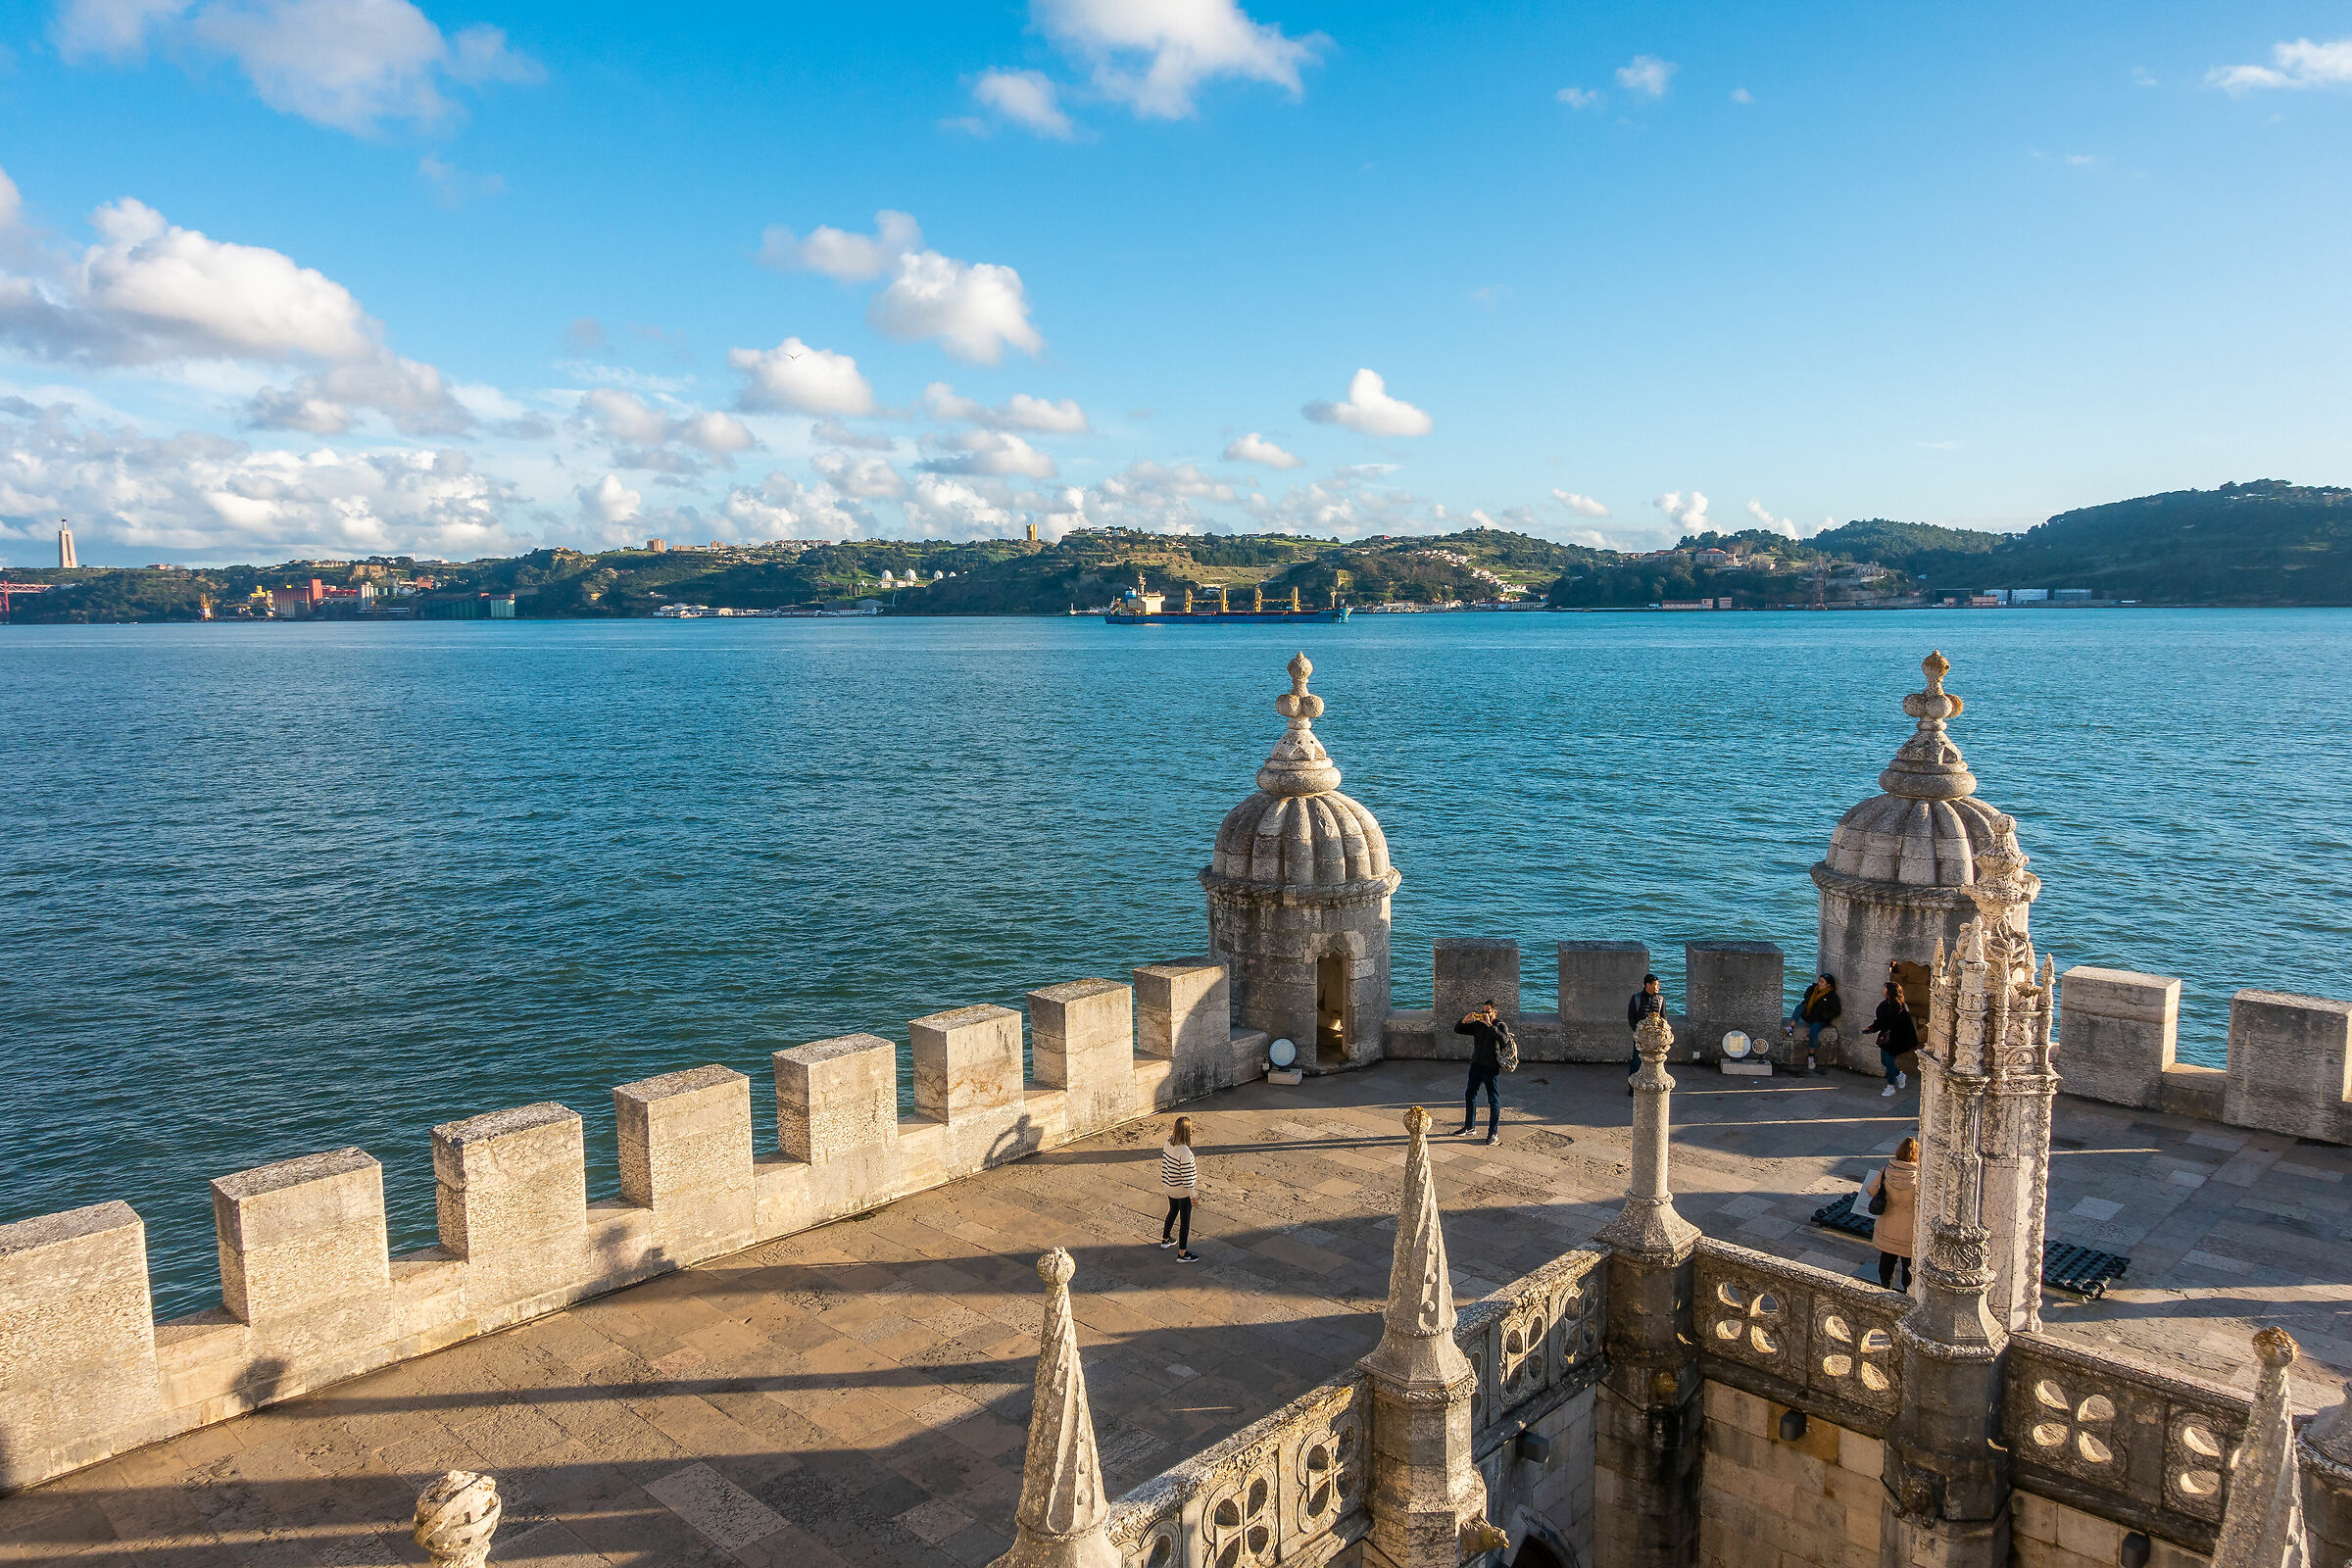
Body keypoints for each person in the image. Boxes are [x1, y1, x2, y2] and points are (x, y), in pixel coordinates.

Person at [1862, 1136, 1920, 1291]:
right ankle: (1907, 1293)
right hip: (1909, 1230)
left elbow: (1871, 1190)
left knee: (1887, 1260)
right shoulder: (1920, 1178)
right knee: (1909, 1265)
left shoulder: (1886, 1172)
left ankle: (1885, 1287)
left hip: (1888, 1225)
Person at [1453, 1001, 1511, 1144]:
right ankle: (1469, 1126)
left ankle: (1493, 1133)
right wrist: (1465, 1020)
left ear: (1494, 1013)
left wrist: (1489, 1025)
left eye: (1488, 1011)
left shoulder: (1499, 1025)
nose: (1485, 1014)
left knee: (1493, 1100)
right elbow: (1458, 1030)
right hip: (1476, 1065)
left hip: (1491, 1068)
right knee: (1470, 1094)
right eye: (1483, 1011)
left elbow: (1504, 1040)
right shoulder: (1478, 1025)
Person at [1862, 980, 1919, 1098]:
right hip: (1886, 1038)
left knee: (1889, 1061)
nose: (1883, 990)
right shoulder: (1883, 1005)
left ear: (1890, 991)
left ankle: (1890, 1086)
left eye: (1885, 988)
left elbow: (1908, 1025)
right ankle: (1900, 1075)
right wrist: (1871, 1029)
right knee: (1884, 1061)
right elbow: (1879, 1021)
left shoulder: (1900, 1007)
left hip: (1897, 1038)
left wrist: (1913, 1041)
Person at [1158, 1115, 1199, 1261]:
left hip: (1169, 1186)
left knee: (1172, 1211)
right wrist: (1192, 1195)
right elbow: (1187, 1177)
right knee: (1185, 1221)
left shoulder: (1168, 1142)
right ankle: (1182, 1253)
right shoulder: (1185, 1152)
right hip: (1182, 1190)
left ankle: (1165, 1239)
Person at [1794, 973, 1841, 1075]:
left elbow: (1836, 1011)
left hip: (1820, 1020)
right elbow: (1806, 996)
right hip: (1810, 1016)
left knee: (1813, 1031)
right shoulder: (1814, 989)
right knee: (1799, 1007)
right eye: (1819, 981)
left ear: (1828, 985)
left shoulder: (1831, 996)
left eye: (1822, 982)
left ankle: (1811, 1056)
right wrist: (1811, 990)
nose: (1819, 983)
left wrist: (1824, 1015)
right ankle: (1791, 1026)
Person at [1627, 974, 1667, 1094]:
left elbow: (1663, 1017)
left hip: (1656, 1039)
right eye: (1655, 985)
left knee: (1657, 1062)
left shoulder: (1660, 999)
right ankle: (1632, 1088)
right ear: (1648, 985)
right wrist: (1639, 1033)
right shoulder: (1636, 998)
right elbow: (1631, 1018)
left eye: (1658, 985)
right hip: (1641, 1037)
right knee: (1636, 1061)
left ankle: (1653, 1085)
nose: (1658, 987)